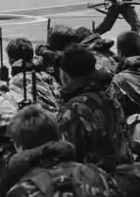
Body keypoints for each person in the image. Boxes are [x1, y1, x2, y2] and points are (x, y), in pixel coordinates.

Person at [56, 43, 132, 173]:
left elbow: (64, 158)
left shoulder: (72, 111)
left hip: (91, 183)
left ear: (65, 74)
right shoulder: (111, 101)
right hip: (121, 177)